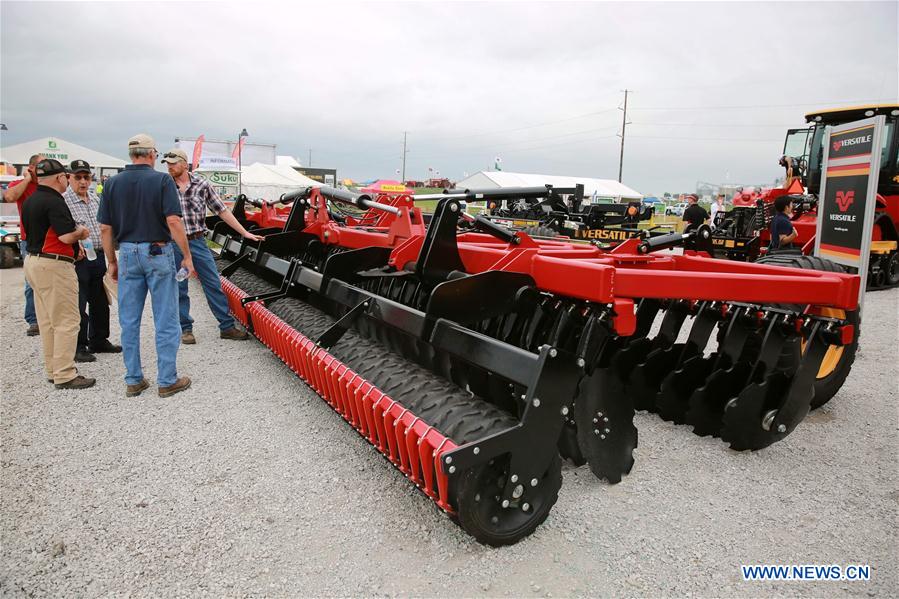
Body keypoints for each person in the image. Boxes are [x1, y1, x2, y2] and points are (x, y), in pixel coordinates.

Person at [98, 134, 195, 398]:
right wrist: (186, 256)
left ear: (131, 155)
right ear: (151, 154)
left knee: (129, 320)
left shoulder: (112, 183)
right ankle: (167, 379)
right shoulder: (162, 180)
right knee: (165, 317)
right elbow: (174, 221)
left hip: (127, 251)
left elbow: (105, 228)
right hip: (157, 251)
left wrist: (111, 261)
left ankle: (133, 378)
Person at [161, 148, 262, 344]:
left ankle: (226, 326)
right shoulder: (164, 186)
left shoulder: (201, 185)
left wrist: (244, 232)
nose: (170, 166)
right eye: (168, 163)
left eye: (173, 163)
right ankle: (186, 329)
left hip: (198, 241)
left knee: (213, 283)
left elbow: (222, 211)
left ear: (184, 163)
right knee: (179, 286)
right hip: (174, 244)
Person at [21, 159, 95, 389]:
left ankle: (53, 369)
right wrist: (81, 233)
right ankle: (65, 374)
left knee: (47, 321)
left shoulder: (32, 200)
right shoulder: (55, 201)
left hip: (34, 261)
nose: (68, 180)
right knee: (67, 320)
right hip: (54, 265)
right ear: (59, 178)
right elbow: (65, 236)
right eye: (66, 176)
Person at [64, 159, 122, 360]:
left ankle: (98, 339)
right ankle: (79, 345)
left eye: (86, 177)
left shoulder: (96, 200)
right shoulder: (64, 201)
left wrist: (111, 255)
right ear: (68, 178)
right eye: (78, 177)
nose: (82, 181)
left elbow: (106, 227)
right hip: (77, 258)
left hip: (97, 255)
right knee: (78, 302)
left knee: (99, 301)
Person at [3, 153, 44, 336]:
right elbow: (10, 197)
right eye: (41, 165)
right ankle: (34, 320)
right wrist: (27, 180)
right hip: (30, 238)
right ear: (31, 167)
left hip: (51, 238)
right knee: (31, 282)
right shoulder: (21, 184)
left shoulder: (48, 183)